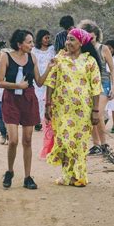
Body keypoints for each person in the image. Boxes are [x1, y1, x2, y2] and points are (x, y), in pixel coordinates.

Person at [0, 29, 53, 190]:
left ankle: (28, 177)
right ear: (19, 44)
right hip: (11, 99)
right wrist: (17, 86)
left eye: (32, 42)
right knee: (13, 140)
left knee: (27, 140)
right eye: (29, 42)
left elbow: (40, 82)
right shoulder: (5, 57)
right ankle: (10, 171)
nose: (32, 45)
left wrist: (49, 68)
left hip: (28, 99)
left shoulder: (32, 58)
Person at [45, 28, 102, 187]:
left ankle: (80, 176)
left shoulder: (90, 61)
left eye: (72, 40)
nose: (67, 43)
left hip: (84, 110)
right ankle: (66, 175)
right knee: (64, 141)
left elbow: (96, 87)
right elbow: (51, 81)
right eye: (67, 39)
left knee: (80, 143)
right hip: (62, 109)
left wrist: (96, 111)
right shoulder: (60, 58)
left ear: (81, 42)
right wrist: (47, 104)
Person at [78, 20, 114, 155]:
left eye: (92, 37)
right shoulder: (82, 50)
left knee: (98, 113)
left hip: (103, 84)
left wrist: (113, 87)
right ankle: (96, 144)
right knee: (90, 116)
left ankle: (104, 144)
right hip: (88, 86)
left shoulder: (103, 48)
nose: (90, 40)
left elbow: (111, 69)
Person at [31, 29, 56, 131]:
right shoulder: (34, 50)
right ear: (40, 38)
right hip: (38, 77)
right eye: (45, 37)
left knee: (48, 98)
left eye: (48, 37)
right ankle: (38, 121)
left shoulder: (52, 49)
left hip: (50, 77)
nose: (47, 40)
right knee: (38, 99)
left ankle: (48, 120)